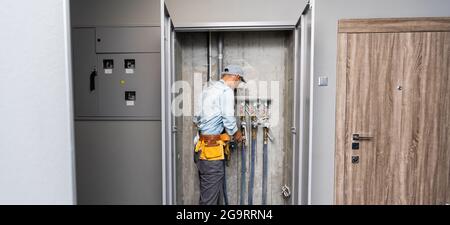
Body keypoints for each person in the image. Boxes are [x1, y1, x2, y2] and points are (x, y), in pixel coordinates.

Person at [193, 65, 246, 205]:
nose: (237, 85)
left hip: (201, 150)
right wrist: (237, 134)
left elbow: (196, 118)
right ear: (236, 77)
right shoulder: (226, 91)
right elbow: (228, 119)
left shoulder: (207, 90)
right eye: (239, 82)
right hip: (212, 153)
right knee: (209, 200)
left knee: (210, 195)